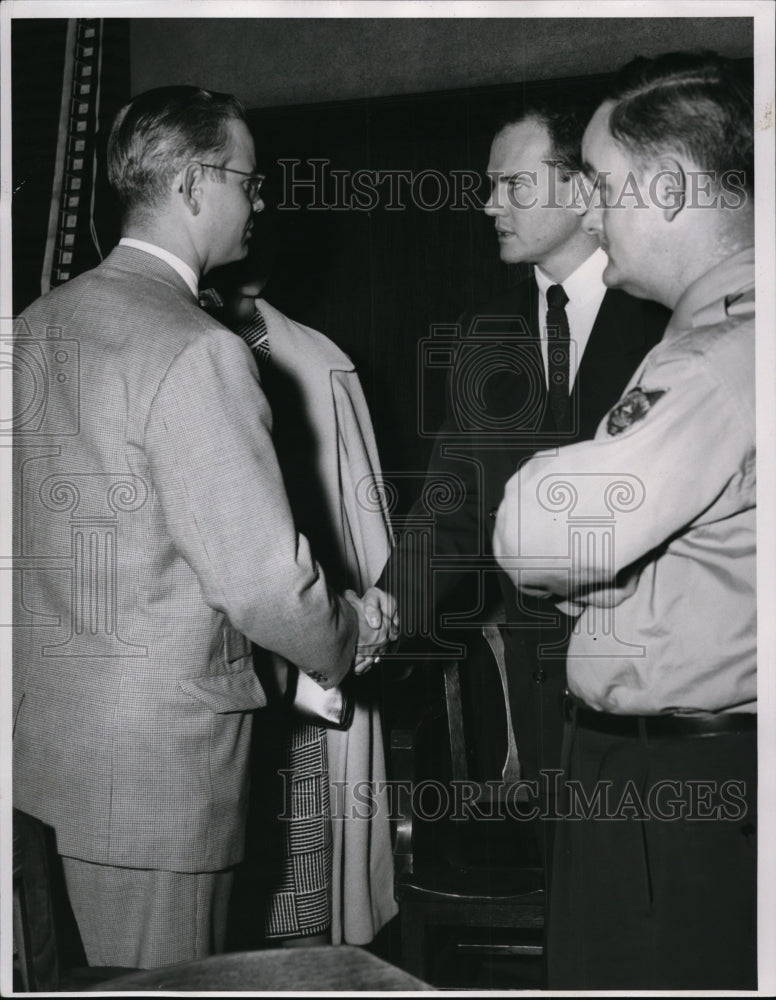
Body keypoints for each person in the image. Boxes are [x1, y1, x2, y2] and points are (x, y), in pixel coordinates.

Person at [12, 85, 395, 970]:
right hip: (157, 779)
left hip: (40, 755)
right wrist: (346, 634)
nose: (259, 204)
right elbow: (264, 582)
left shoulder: (34, 326)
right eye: (249, 183)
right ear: (192, 185)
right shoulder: (198, 347)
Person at [492, 52, 756, 989]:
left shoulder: (720, 355)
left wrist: (540, 475)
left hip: (674, 789)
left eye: (603, 187)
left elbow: (533, 533)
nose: (591, 214)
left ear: (675, 189)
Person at [369, 93, 668, 858]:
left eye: (510, 184)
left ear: (577, 188)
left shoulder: (670, 318)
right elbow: (451, 508)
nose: (487, 203)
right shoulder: (484, 337)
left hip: (663, 700)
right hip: (543, 716)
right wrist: (377, 613)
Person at [202, 260, 398, 947]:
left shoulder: (316, 361)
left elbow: (357, 527)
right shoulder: (175, 340)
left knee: (298, 917)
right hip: (201, 675)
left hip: (299, 669)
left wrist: (360, 624)